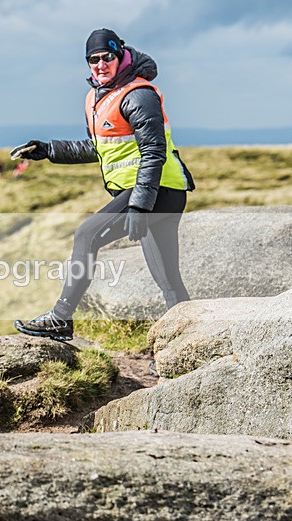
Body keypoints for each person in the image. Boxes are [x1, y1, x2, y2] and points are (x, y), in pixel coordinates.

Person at [11, 29, 195, 341]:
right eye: (92, 59)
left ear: (121, 54)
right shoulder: (97, 98)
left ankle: (60, 316)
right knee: (168, 279)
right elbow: (100, 146)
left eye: (106, 57)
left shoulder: (138, 94)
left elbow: (153, 152)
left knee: (86, 235)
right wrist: (49, 150)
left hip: (159, 190)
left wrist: (139, 205)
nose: (100, 64)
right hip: (149, 193)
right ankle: (188, 341)